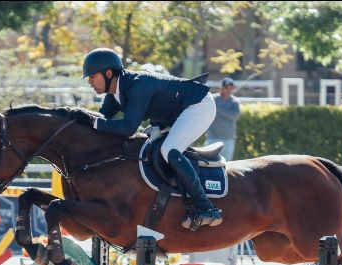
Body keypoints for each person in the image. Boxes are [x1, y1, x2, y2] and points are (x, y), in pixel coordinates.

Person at [74, 47, 222, 230]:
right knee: (144, 145)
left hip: (198, 106)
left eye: (92, 76)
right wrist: (78, 121)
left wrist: (91, 122)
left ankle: (206, 208)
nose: (89, 81)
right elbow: (101, 120)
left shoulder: (138, 85)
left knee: (168, 150)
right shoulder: (114, 94)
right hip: (174, 114)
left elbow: (128, 128)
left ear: (109, 73)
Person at [206, 77, 241, 161]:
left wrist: (220, 110)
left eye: (230, 88)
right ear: (221, 88)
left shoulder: (234, 101)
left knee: (227, 163)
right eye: (226, 88)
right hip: (213, 137)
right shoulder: (212, 99)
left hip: (228, 138)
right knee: (209, 162)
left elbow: (235, 116)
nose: (228, 90)